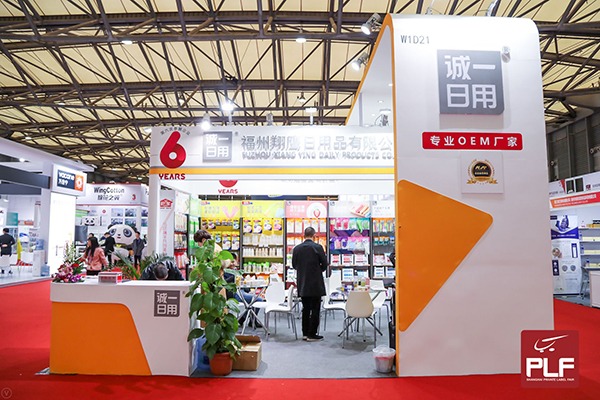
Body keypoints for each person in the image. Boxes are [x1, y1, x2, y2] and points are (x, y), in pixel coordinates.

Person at [292, 226, 328, 342]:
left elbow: (294, 265)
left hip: (303, 282)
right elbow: (325, 264)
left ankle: (305, 333)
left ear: (304, 235)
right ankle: (312, 334)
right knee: (316, 308)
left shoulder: (297, 249)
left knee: (305, 308)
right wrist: (317, 270)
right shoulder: (318, 247)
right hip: (316, 283)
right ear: (314, 236)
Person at [223, 254, 263, 328]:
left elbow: (245, 287)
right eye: (230, 262)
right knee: (258, 299)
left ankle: (244, 319)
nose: (232, 264)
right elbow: (224, 284)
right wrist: (234, 277)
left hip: (241, 292)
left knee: (256, 300)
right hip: (235, 294)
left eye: (233, 262)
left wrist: (245, 282)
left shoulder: (237, 271)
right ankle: (248, 319)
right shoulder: (224, 272)